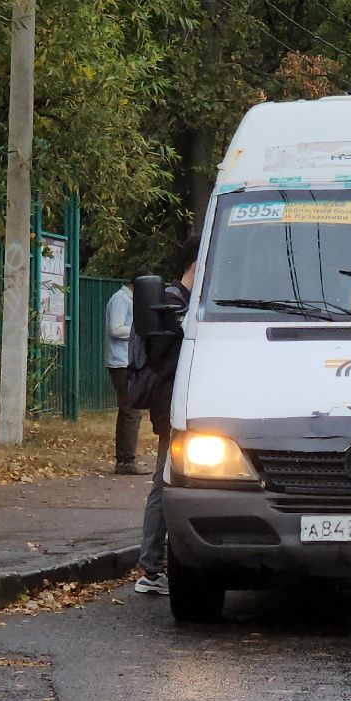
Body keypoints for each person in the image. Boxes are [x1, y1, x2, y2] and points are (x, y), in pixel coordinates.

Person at [135, 236, 201, 596]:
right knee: (165, 481)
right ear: (196, 264)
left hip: (182, 404)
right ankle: (151, 567)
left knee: (169, 479)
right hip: (172, 405)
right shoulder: (174, 303)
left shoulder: (187, 303)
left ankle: (155, 565)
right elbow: (163, 356)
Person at [105, 280, 145, 475]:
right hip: (121, 361)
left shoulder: (127, 300)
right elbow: (115, 328)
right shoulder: (121, 300)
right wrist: (139, 332)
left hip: (126, 361)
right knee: (132, 410)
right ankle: (127, 460)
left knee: (128, 410)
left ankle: (124, 459)